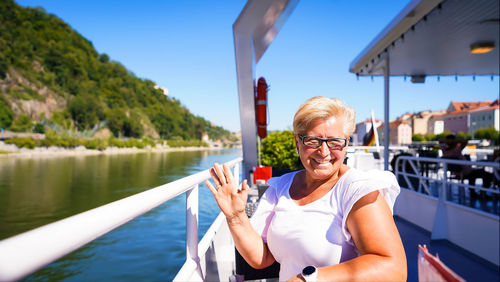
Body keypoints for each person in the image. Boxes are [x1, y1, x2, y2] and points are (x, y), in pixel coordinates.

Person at [206, 96, 406, 281]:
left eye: (335, 141)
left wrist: (308, 279)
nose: (324, 151)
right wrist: (236, 216)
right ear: (297, 142)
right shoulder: (279, 187)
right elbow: (262, 258)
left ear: (346, 144)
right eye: (313, 141)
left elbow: (393, 268)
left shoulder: (357, 191)